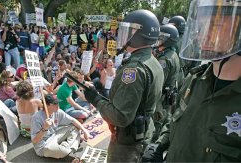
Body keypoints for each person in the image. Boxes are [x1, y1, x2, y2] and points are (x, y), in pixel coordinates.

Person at [145, 0, 241, 162]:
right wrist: (160, 144)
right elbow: (175, 119)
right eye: (201, 26)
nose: (203, 35)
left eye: (215, 25)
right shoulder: (194, 80)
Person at [84, 9, 164, 162]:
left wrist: (95, 99)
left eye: (128, 30)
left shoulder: (133, 70)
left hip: (127, 144)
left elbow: (120, 117)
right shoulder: (153, 61)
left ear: (139, 34)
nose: (123, 34)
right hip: (142, 133)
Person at [31, 93, 89, 159]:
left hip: (54, 135)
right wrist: (44, 128)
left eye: (58, 103)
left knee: (75, 128)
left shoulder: (58, 112)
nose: (58, 105)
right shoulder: (36, 118)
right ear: (47, 105)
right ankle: (70, 147)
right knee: (63, 151)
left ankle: (65, 147)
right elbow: (35, 141)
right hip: (44, 145)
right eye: (55, 104)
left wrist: (85, 131)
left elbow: (72, 120)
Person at [151, 24, 182, 141]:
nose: (158, 39)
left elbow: (158, 82)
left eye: (161, 37)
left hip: (161, 99)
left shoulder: (164, 59)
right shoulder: (172, 54)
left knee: (156, 125)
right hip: (168, 97)